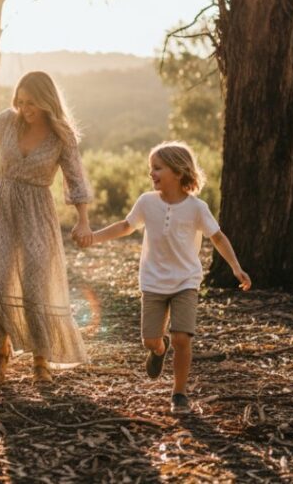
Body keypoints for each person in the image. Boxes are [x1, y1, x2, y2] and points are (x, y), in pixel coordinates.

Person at [83, 141, 252, 414]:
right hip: (152, 282)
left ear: (178, 170)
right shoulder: (147, 202)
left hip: (186, 281)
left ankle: (179, 393)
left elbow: (218, 237)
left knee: (182, 337)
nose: (152, 173)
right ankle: (158, 351)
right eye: (151, 168)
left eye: (157, 168)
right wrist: (94, 237)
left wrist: (235, 267)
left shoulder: (197, 207)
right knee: (150, 339)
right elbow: (126, 226)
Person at [0, 71, 93, 385]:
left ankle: (40, 359)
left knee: (36, 284)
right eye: (20, 102)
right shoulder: (8, 120)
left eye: (31, 102)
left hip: (37, 211)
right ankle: (1, 350)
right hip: (2, 206)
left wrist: (83, 219)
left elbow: (75, 179)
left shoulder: (62, 136)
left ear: (46, 101)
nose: (25, 108)